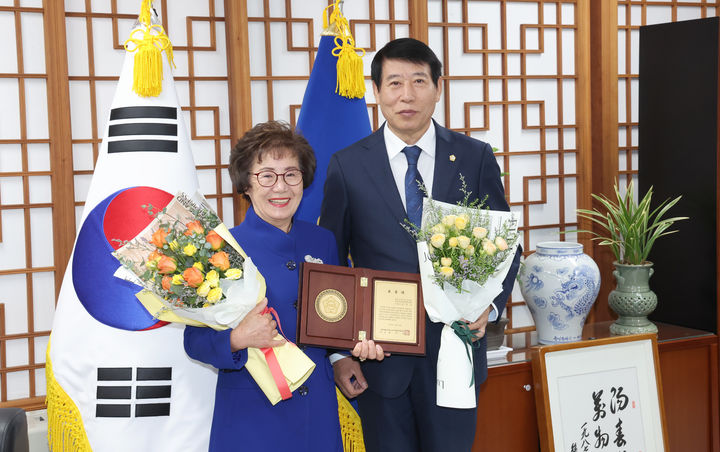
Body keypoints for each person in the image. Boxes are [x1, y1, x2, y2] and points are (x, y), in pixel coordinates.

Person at [319, 38, 522, 452]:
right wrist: (340, 354)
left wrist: (492, 306)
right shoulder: (348, 164)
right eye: (393, 83)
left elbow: (505, 247)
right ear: (376, 92)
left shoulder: (473, 157)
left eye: (418, 81)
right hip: (380, 361)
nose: (406, 95)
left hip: (456, 351)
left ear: (438, 87)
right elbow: (334, 262)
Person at [183, 120, 382, 452]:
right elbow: (194, 341)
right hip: (253, 416)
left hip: (317, 412)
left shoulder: (321, 240)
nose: (281, 187)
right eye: (267, 176)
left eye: (292, 174)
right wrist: (236, 338)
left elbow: (336, 315)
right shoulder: (220, 248)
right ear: (246, 183)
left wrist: (340, 358)